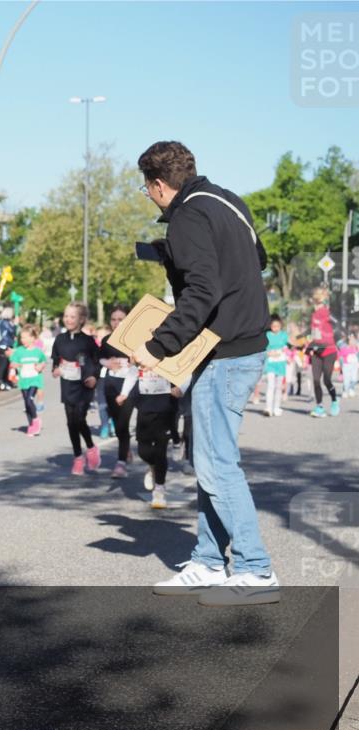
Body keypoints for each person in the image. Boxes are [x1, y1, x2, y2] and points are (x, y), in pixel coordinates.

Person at [133, 141, 277, 605]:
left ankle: (256, 569)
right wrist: (172, 253)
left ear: (158, 184)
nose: (150, 196)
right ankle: (210, 561)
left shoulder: (187, 216)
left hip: (224, 352)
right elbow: (255, 263)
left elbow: (203, 288)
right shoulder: (229, 201)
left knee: (216, 464)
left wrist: (159, 345)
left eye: (146, 188)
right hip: (243, 343)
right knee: (211, 459)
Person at [123, 367, 188, 509]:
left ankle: (159, 490)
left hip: (166, 406)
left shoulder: (171, 350)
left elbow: (186, 368)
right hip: (145, 407)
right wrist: (124, 393)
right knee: (143, 451)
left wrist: (181, 387)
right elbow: (132, 373)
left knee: (160, 451)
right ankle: (153, 467)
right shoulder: (141, 353)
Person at [52, 302, 100, 476]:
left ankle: (91, 447)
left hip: (84, 385)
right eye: (66, 316)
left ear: (81, 320)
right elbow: (56, 360)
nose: (68, 319)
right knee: (71, 422)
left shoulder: (88, 341)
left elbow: (97, 361)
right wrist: (55, 369)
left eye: (72, 317)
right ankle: (78, 457)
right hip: (67, 384)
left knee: (80, 419)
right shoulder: (59, 339)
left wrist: (94, 376)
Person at [101, 305, 137, 477]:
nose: (116, 323)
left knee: (123, 423)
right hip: (110, 384)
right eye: (113, 319)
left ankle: (120, 463)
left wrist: (133, 362)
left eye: (120, 319)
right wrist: (106, 363)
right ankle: (126, 448)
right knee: (117, 425)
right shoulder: (106, 340)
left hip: (128, 385)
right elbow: (98, 357)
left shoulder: (134, 339)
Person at [307, 287, 340, 418]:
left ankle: (334, 401)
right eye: (316, 303)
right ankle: (319, 407)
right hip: (316, 351)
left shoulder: (326, 312)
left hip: (329, 351)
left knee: (327, 380)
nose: (316, 305)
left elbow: (337, 324)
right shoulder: (314, 315)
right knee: (315, 380)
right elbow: (315, 333)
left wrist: (331, 338)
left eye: (318, 303)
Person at [9, 325, 47, 436]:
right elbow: (13, 363)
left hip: (35, 379)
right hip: (24, 380)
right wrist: (15, 364)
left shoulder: (38, 351)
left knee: (30, 400)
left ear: (32, 338)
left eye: (25, 338)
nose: (23, 340)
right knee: (26, 404)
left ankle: (36, 420)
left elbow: (43, 361)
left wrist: (40, 366)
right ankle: (32, 425)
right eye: (22, 338)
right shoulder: (19, 351)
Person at [263, 314, 289, 417]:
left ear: (280, 326)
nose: (275, 328)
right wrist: (269, 353)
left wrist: (282, 351)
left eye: (277, 326)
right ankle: (268, 408)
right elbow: (264, 348)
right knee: (270, 385)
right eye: (273, 326)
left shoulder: (284, 335)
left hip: (281, 362)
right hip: (270, 363)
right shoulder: (267, 335)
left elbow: (287, 346)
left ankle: (276, 407)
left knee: (278, 387)